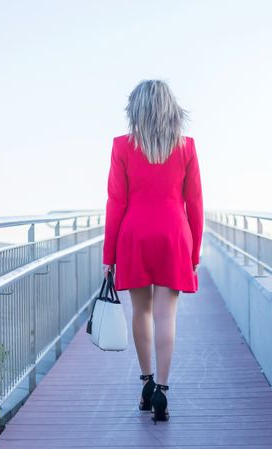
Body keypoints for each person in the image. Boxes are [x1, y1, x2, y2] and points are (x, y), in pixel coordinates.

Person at [102, 79, 204, 424]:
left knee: (141, 312)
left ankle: (145, 383)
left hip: (134, 236)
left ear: (136, 109)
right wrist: (194, 254)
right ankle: (163, 389)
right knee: (166, 316)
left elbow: (116, 202)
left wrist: (108, 255)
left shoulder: (121, 147)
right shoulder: (186, 147)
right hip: (175, 235)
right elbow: (195, 203)